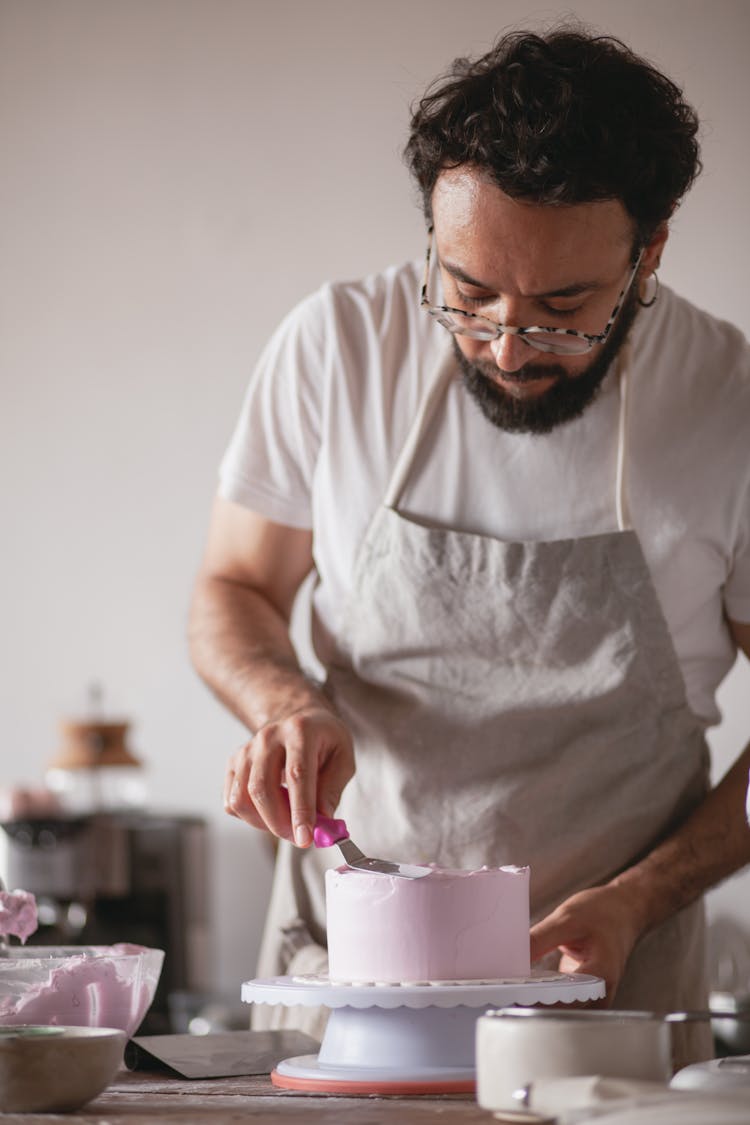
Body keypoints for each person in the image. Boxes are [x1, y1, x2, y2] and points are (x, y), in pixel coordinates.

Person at [189, 27, 750, 1064]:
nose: (505, 344)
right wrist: (285, 703)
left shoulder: (730, 403)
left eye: (564, 309)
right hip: (350, 993)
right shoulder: (337, 349)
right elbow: (233, 587)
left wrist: (638, 898)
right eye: (469, 292)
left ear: (651, 248)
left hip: (608, 992)